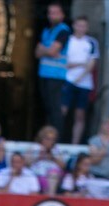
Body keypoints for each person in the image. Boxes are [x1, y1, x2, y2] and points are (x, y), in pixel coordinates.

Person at [63, 15, 100, 145]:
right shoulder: (67, 41)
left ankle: (75, 143)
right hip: (67, 80)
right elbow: (63, 63)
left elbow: (91, 64)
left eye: (84, 26)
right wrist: (80, 64)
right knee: (62, 111)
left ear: (87, 27)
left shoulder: (91, 43)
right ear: (74, 25)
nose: (81, 28)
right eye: (79, 25)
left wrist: (79, 75)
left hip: (84, 83)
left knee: (80, 115)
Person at [35, 3, 70, 132]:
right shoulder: (46, 31)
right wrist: (47, 50)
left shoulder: (63, 30)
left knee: (55, 109)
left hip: (56, 75)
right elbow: (37, 53)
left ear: (62, 15)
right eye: (50, 12)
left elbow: (52, 51)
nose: (52, 15)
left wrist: (45, 50)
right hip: (44, 74)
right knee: (48, 108)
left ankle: (57, 138)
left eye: (55, 12)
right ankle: (48, 135)